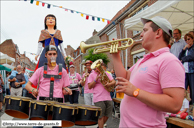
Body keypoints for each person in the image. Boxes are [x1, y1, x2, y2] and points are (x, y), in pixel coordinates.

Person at [111, 16, 185, 127]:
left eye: (145, 30)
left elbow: (175, 105)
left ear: (158, 32)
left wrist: (136, 92)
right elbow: (124, 77)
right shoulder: (143, 60)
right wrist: (115, 56)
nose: (141, 34)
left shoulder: (169, 60)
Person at [88, 63, 116, 128]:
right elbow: (89, 86)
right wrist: (96, 79)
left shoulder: (106, 73)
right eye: (100, 68)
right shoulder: (92, 75)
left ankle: (100, 126)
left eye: (103, 68)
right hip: (98, 98)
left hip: (107, 97)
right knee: (100, 116)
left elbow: (114, 81)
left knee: (108, 114)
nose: (102, 70)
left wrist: (109, 84)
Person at [179, 33, 194, 104]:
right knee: (184, 87)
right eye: (186, 40)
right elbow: (179, 57)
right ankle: (184, 104)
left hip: (192, 70)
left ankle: (192, 104)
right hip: (185, 71)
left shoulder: (193, 48)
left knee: (192, 88)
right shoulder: (186, 49)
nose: (187, 41)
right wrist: (183, 49)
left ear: (192, 39)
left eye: (189, 39)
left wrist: (183, 59)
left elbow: (191, 57)